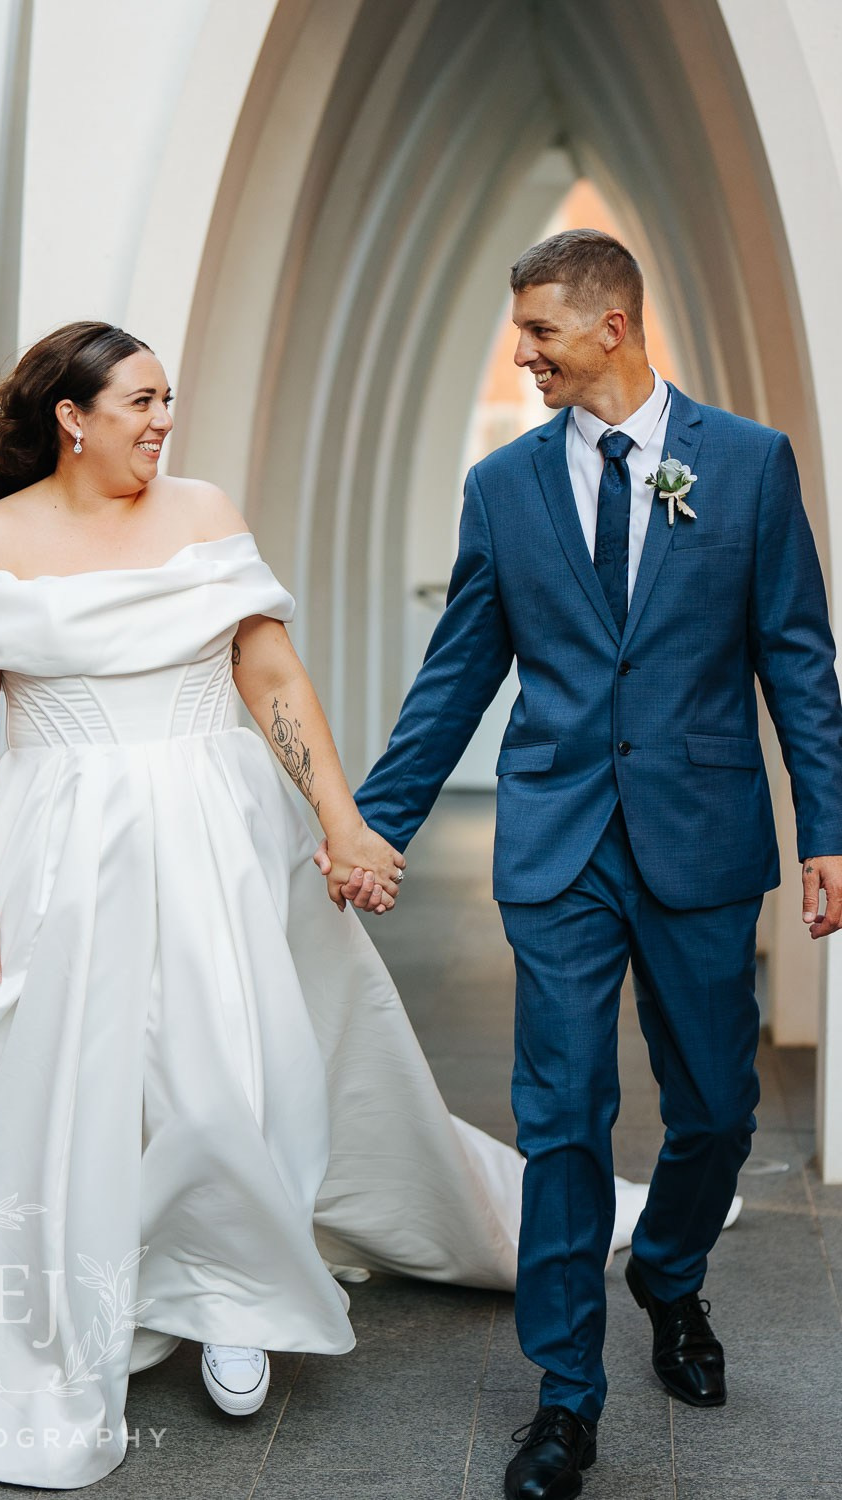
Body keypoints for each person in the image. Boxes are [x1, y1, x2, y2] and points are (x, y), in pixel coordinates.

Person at [0, 320, 664, 1491]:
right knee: (72, 1073)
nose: (162, 420)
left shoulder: (204, 512)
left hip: (215, 828)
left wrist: (341, 819)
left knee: (229, 1062)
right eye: (139, 401)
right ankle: (100, 1277)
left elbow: (268, 671)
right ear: (72, 418)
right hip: (61, 838)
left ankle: (235, 1299)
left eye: (166, 397)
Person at [320, 230, 842, 1500]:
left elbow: (797, 661)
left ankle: (667, 1272)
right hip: (556, 841)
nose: (524, 354)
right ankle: (565, 1396)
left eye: (540, 331)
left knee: (716, 1106)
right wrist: (378, 822)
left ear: (612, 325)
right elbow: (458, 672)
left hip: (702, 837)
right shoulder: (503, 487)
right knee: (560, 1116)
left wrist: (825, 828)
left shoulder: (748, 465)